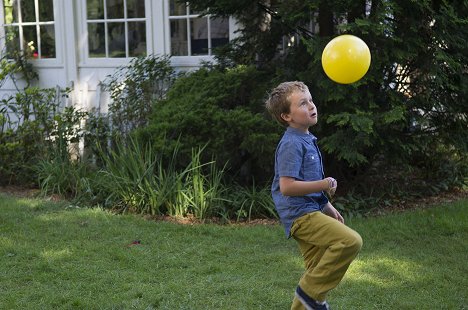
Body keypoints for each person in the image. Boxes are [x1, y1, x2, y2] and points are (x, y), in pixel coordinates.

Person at [265, 81, 363, 310]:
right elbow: (287, 187)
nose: (311, 105)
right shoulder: (291, 143)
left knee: (316, 266)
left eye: (310, 100)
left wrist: (326, 205)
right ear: (286, 116)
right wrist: (324, 183)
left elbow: (306, 183)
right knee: (350, 241)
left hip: (309, 211)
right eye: (302, 103)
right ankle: (310, 292)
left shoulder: (305, 139)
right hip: (301, 215)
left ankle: (307, 301)